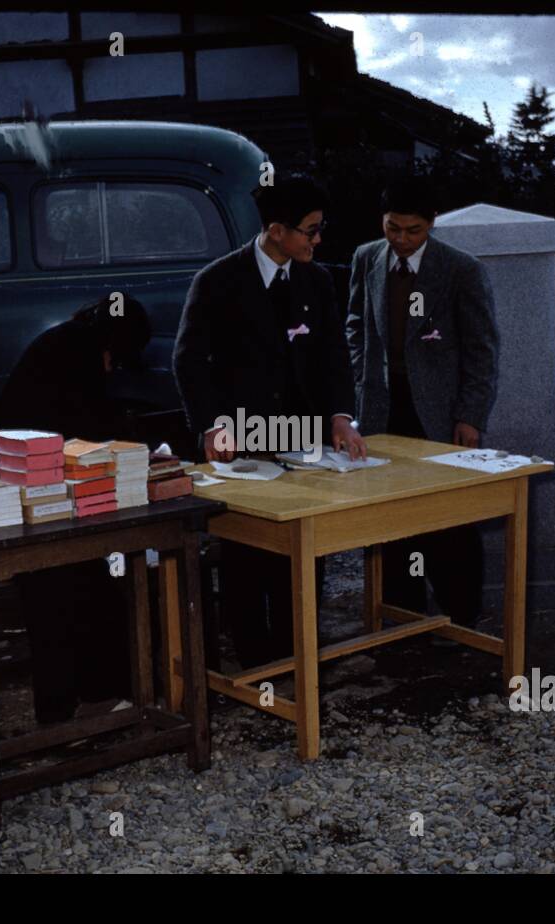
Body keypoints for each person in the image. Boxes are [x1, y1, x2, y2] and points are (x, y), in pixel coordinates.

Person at [173, 175, 363, 668]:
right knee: (247, 551)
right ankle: (257, 659)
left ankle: (299, 649)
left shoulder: (317, 281)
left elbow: (334, 357)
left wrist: (341, 417)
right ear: (277, 230)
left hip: (303, 436)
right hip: (242, 437)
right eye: (310, 230)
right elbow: (189, 361)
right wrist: (213, 425)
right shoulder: (216, 281)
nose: (318, 240)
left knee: (304, 545)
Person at [0, 295, 152, 723]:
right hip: (34, 497)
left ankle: (78, 704)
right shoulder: (78, 354)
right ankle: (68, 712)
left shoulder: (64, 341)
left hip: (26, 486)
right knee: (62, 597)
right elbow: (92, 430)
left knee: (69, 595)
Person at [346, 175, 500, 629]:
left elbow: (482, 349)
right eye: (393, 228)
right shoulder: (366, 258)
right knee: (389, 515)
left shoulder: (461, 269)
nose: (401, 239)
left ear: (431, 225)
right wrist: (363, 375)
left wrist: (470, 416)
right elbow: (355, 322)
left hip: (440, 414)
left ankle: (461, 619)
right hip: (382, 410)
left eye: (412, 230)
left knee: (450, 517)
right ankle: (402, 616)